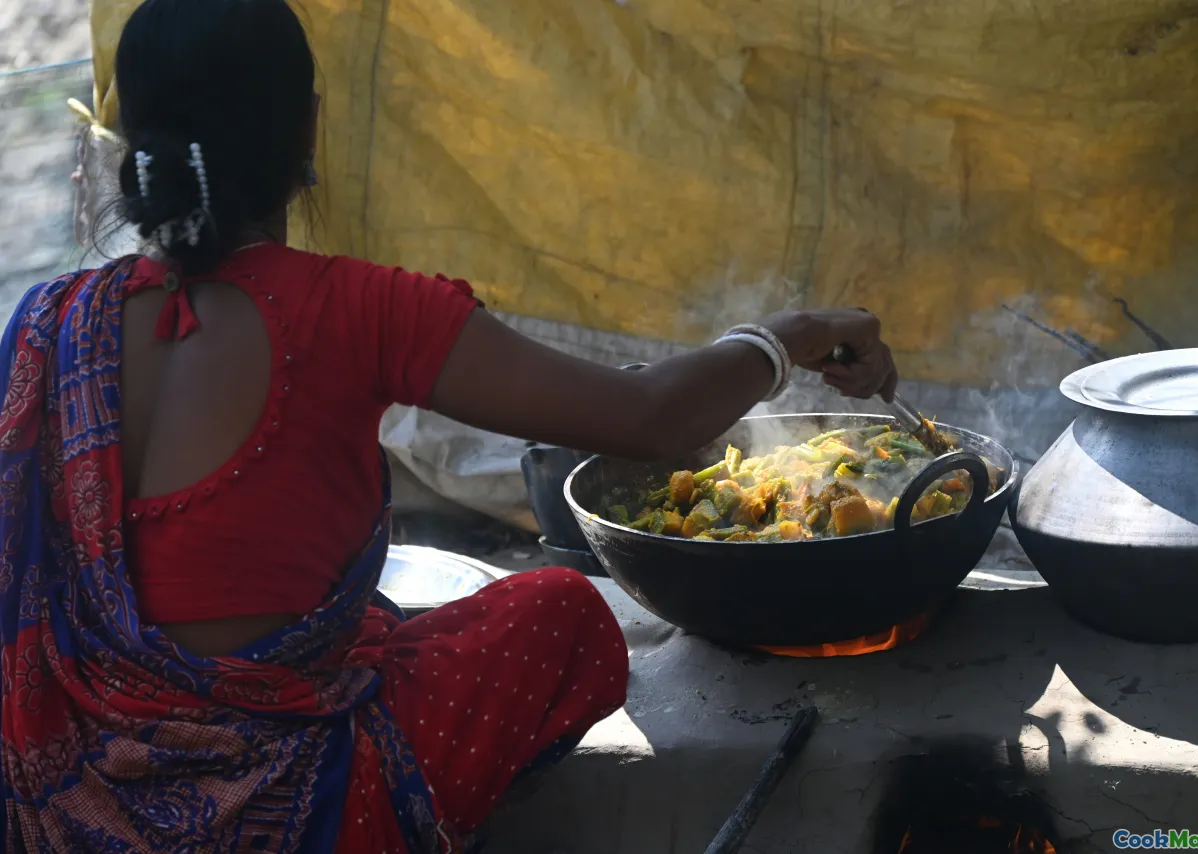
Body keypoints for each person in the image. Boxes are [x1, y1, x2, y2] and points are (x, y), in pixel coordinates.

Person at [0, 1, 898, 851]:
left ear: (137, 140)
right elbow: (653, 418)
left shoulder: (45, 325)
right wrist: (796, 336)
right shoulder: (355, 309)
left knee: (378, 620)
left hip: (61, 798)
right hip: (290, 808)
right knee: (558, 611)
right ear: (308, 127)